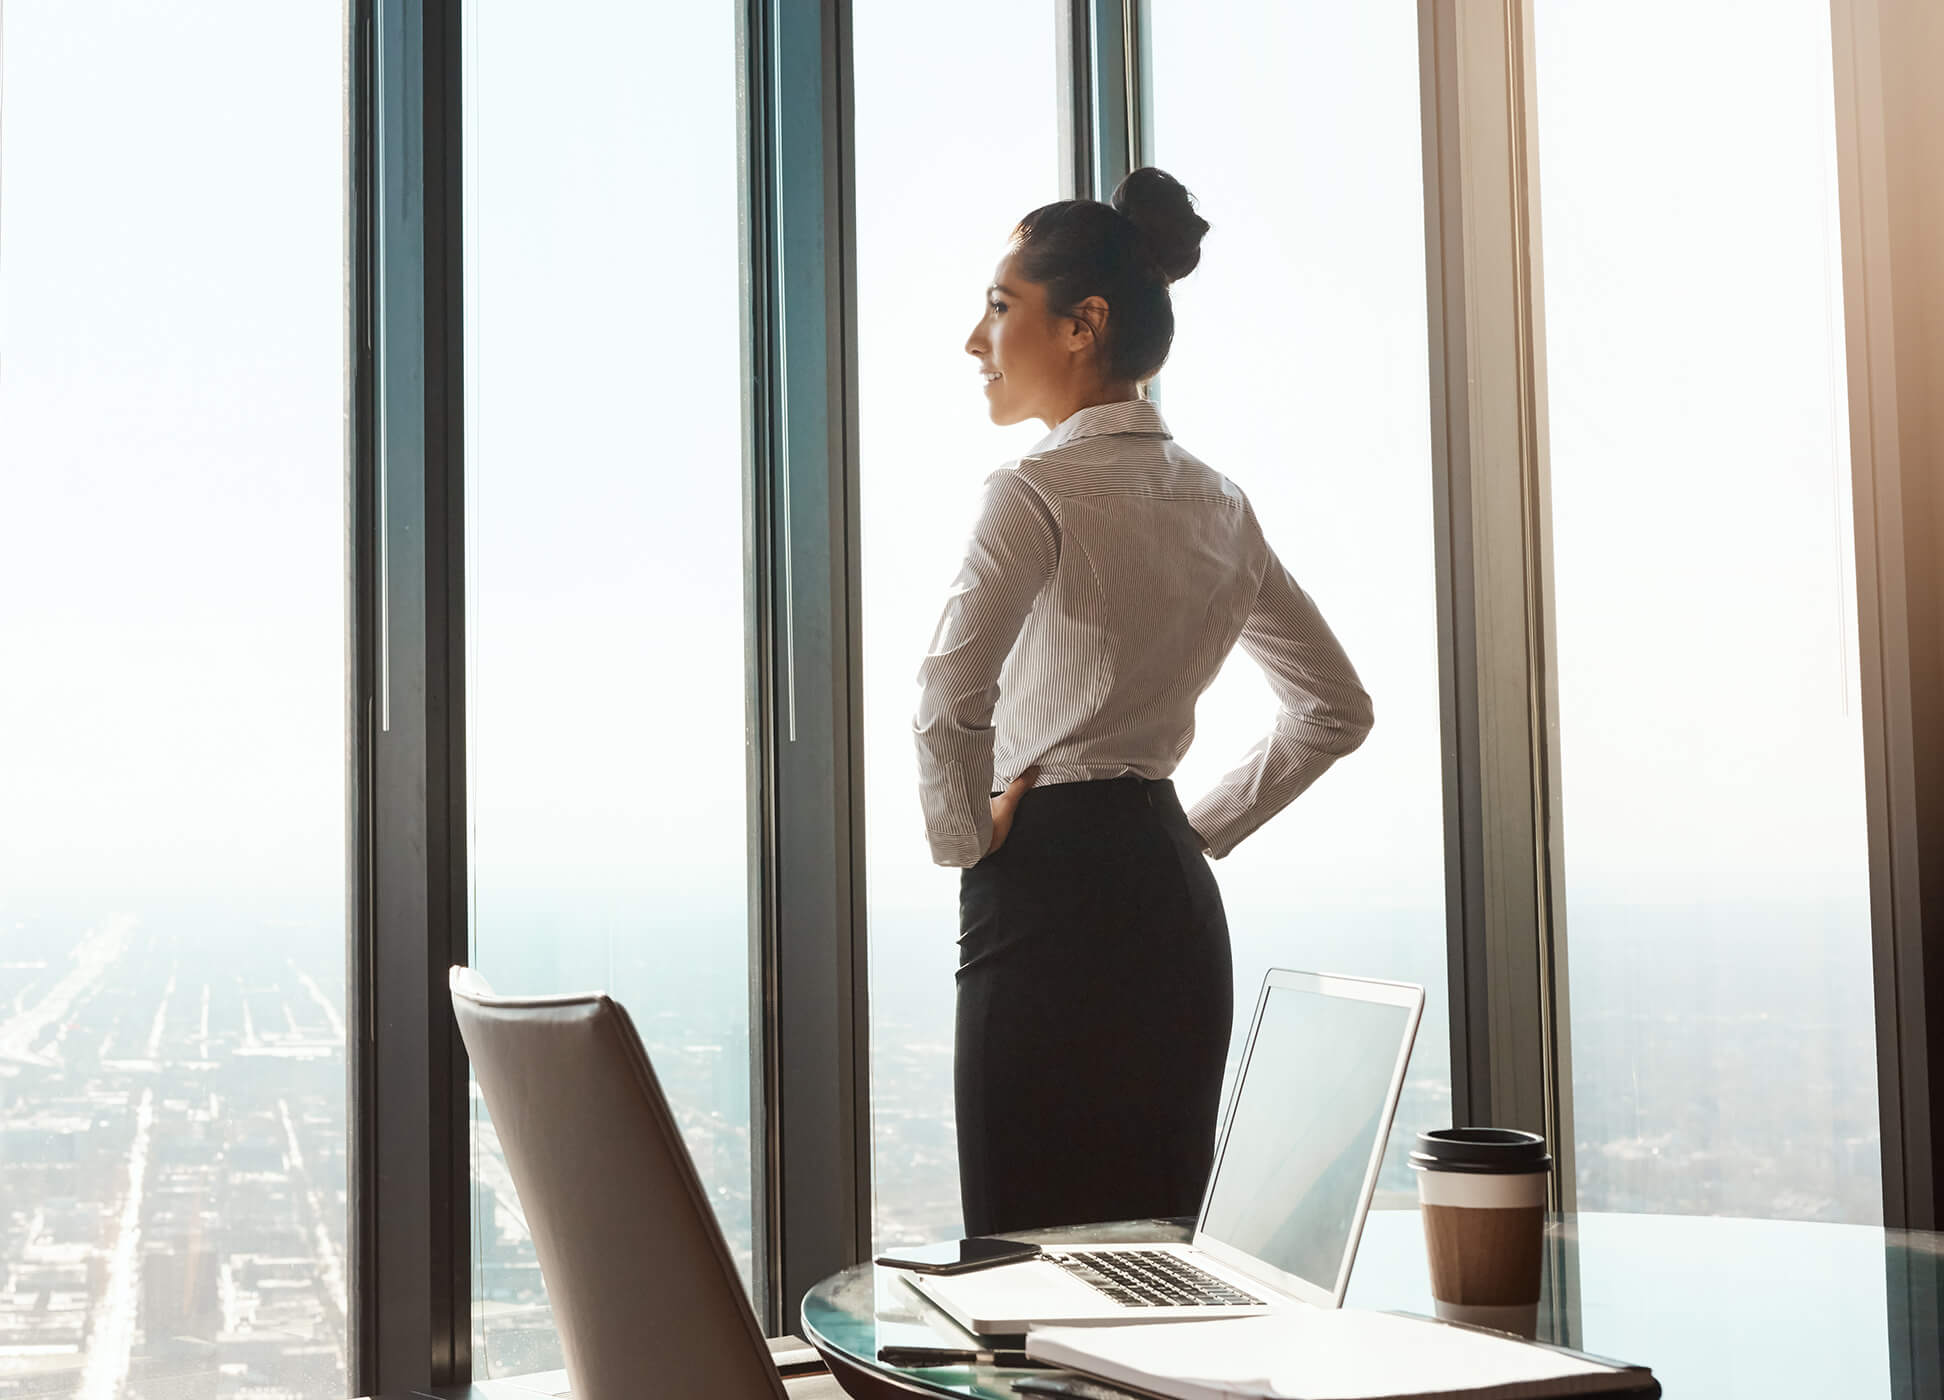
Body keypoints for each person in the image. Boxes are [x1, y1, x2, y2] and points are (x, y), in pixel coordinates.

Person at [913, 166, 1375, 1238]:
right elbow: (1335, 710)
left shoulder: (1032, 490)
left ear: (1084, 324)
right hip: (1170, 901)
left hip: (1043, 890)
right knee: (1154, 1253)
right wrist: (1194, 829)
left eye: (998, 307)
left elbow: (949, 693)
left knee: (1024, 1257)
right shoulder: (1219, 501)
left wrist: (965, 838)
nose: (975, 340)